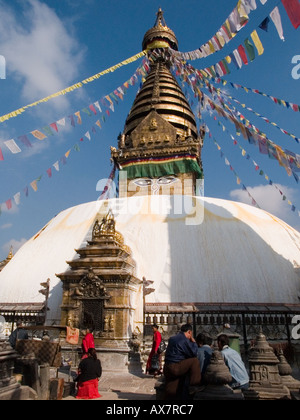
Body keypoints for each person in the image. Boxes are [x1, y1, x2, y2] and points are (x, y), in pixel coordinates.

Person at [163, 324, 201, 400]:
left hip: (167, 366)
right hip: (175, 366)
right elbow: (193, 353)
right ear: (189, 332)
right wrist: (194, 343)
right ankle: (194, 385)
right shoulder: (184, 340)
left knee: (172, 390)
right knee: (194, 361)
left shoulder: (172, 338)